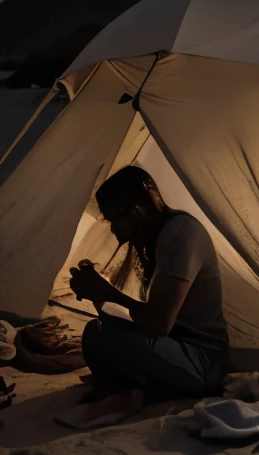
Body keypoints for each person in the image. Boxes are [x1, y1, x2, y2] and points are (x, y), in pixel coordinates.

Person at [62, 166, 230, 430]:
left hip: (201, 359)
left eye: (115, 220)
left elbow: (159, 322)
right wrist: (95, 293)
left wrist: (105, 291)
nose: (114, 230)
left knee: (113, 335)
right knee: (95, 333)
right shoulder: (155, 238)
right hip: (172, 345)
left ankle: (146, 386)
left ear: (136, 209)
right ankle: (146, 384)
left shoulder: (181, 235)